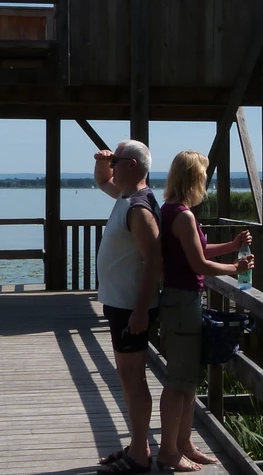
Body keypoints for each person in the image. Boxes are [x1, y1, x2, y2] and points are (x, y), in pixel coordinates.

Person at [155, 150, 252, 472]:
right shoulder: (182, 215)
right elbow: (197, 263)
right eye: (203, 176)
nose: (206, 182)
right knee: (178, 380)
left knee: (188, 378)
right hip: (182, 301)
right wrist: (235, 268)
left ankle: (184, 443)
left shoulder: (171, 211)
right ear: (194, 178)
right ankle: (168, 452)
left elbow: (196, 250)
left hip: (181, 300)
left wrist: (232, 245)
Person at [92, 140, 161, 474]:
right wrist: (103, 161)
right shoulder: (124, 196)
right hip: (118, 304)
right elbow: (102, 182)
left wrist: (140, 310)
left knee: (134, 377)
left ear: (132, 165)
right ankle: (138, 445)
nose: (112, 166)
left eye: (116, 160)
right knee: (127, 375)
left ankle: (139, 455)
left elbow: (154, 262)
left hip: (131, 307)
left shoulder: (139, 207)